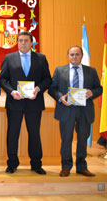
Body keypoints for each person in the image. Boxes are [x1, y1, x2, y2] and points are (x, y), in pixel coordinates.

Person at [0, 31, 52, 175]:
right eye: (20, 40)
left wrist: (38, 89)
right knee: (13, 133)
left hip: (34, 103)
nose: (23, 43)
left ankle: (36, 164)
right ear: (17, 42)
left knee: (34, 133)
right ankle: (12, 164)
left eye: (26, 40)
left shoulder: (41, 58)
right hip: (14, 102)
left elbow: (48, 79)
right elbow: (3, 79)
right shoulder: (9, 58)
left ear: (31, 43)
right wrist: (11, 92)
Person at [48, 46, 102, 177]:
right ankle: (66, 167)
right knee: (66, 139)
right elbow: (52, 88)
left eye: (77, 54)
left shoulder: (91, 71)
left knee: (83, 139)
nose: (74, 57)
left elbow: (99, 89)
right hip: (67, 109)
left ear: (81, 56)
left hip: (85, 110)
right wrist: (60, 97)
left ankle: (82, 167)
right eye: (71, 54)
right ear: (68, 56)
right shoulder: (60, 71)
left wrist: (92, 93)